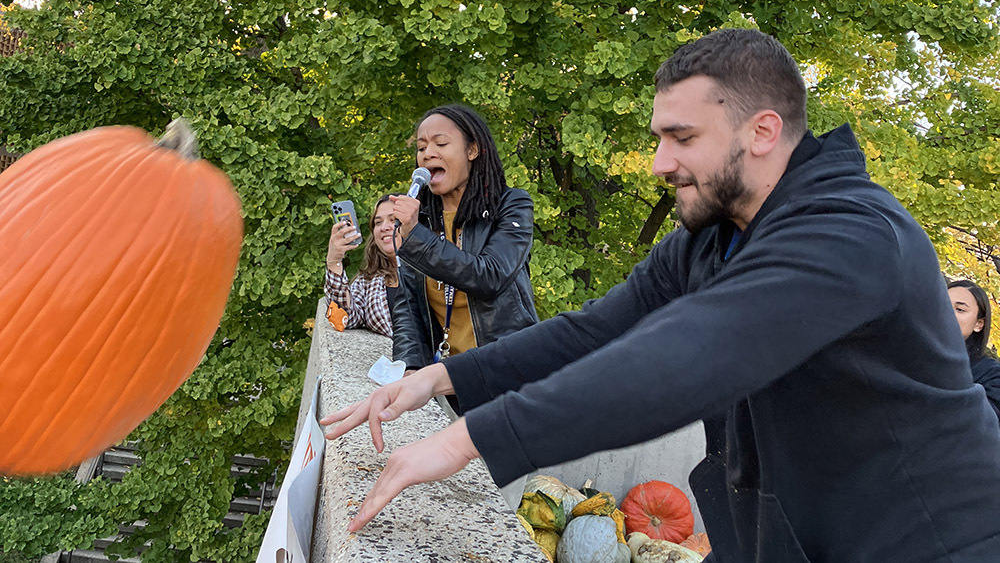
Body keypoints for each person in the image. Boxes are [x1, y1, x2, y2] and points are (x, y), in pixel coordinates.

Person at [324, 30, 1000, 562]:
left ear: (762, 132)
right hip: (785, 535)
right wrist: (439, 377)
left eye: (683, 138)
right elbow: (592, 331)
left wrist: (473, 436)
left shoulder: (851, 232)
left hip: (927, 541)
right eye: (658, 138)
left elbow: (688, 358)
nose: (659, 163)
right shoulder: (712, 237)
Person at [387, 103, 539, 371]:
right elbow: (408, 307)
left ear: (472, 150)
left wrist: (417, 238)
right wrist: (410, 366)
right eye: (421, 148)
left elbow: (490, 276)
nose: (427, 154)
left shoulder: (512, 205)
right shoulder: (421, 221)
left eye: (441, 144)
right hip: (447, 377)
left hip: (507, 370)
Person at [323, 194, 399, 337]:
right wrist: (334, 261)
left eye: (393, 220)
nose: (384, 227)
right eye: (378, 222)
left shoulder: (432, 273)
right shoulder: (367, 283)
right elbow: (343, 320)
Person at [948, 279, 1000, 422]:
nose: (946, 313)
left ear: (978, 324)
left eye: (960, 309)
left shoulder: (990, 374)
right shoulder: (904, 354)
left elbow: (986, 427)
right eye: (942, 305)